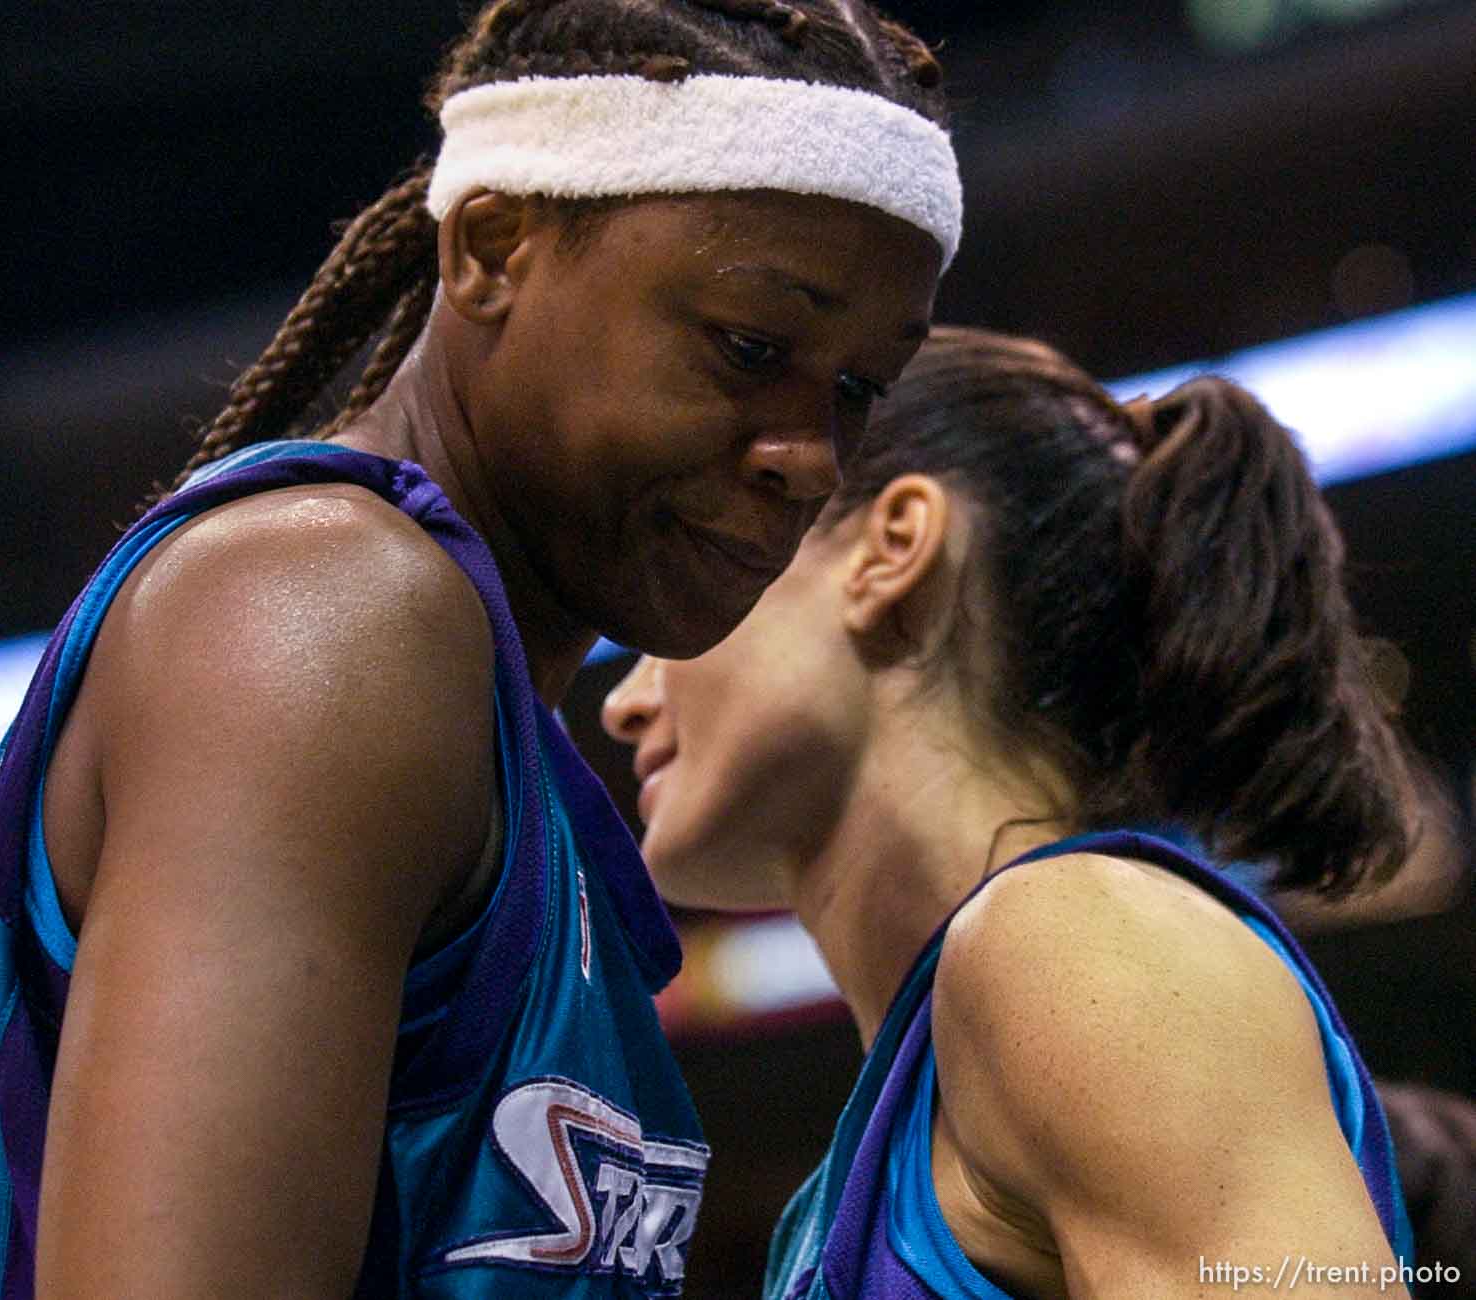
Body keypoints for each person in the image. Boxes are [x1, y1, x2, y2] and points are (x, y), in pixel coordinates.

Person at [0, 3, 962, 1296]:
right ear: (490, 248)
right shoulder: (331, 611)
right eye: (752, 349)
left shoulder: (483, 723)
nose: (811, 456)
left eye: (858, 388)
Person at [603, 326, 1427, 1298]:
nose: (626, 699)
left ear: (890, 549)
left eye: (704, 580)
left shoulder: (1077, 937)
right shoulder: (889, 1133)